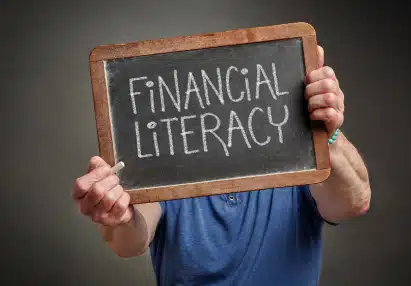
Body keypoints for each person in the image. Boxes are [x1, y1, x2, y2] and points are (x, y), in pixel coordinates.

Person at [73, 46, 371, 286]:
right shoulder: (166, 164)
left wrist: (327, 133)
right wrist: (120, 216)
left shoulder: (297, 156)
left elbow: (354, 201)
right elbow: (129, 242)